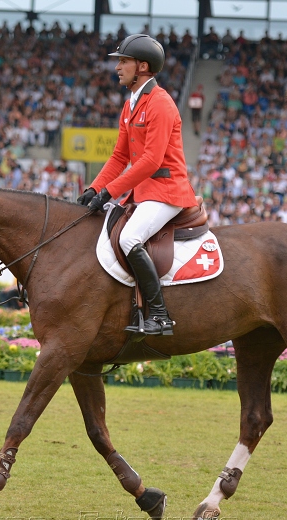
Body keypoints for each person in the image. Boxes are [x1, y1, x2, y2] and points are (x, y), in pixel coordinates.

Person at [77, 33, 199, 337]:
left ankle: (159, 315)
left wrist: (110, 191)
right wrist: (94, 189)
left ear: (142, 66)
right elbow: (119, 156)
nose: (118, 67)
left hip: (167, 191)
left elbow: (150, 161)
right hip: (144, 192)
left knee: (130, 238)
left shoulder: (161, 103)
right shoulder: (131, 103)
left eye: (123, 61)